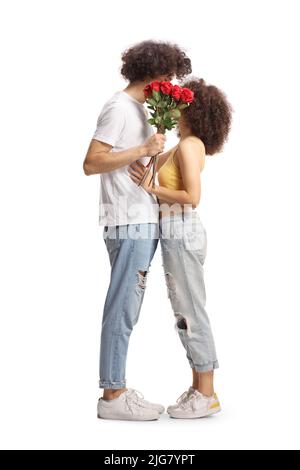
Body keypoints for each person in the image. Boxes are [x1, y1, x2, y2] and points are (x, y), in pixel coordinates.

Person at [83, 40, 192, 421]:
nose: (167, 83)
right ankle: (112, 395)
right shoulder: (118, 107)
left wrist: (154, 156)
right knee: (122, 308)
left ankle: (117, 389)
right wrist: (141, 149)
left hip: (143, 219)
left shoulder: (141, 110)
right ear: (149, 72)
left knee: (130, 307)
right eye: (165, 76)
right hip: (127, 222)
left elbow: (137, 162)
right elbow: (91, 162)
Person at [129, 78, 232, 418]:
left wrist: (151, 190)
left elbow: (192, 197)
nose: (177, 109)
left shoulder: (190, 145)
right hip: (174, 231)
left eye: (182, 105)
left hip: (182, 228)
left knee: (191, 312)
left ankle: (207, 394)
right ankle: (199, 388)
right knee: (184, 313)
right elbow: (158, 178)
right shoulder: (182, 143)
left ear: (194, 109)